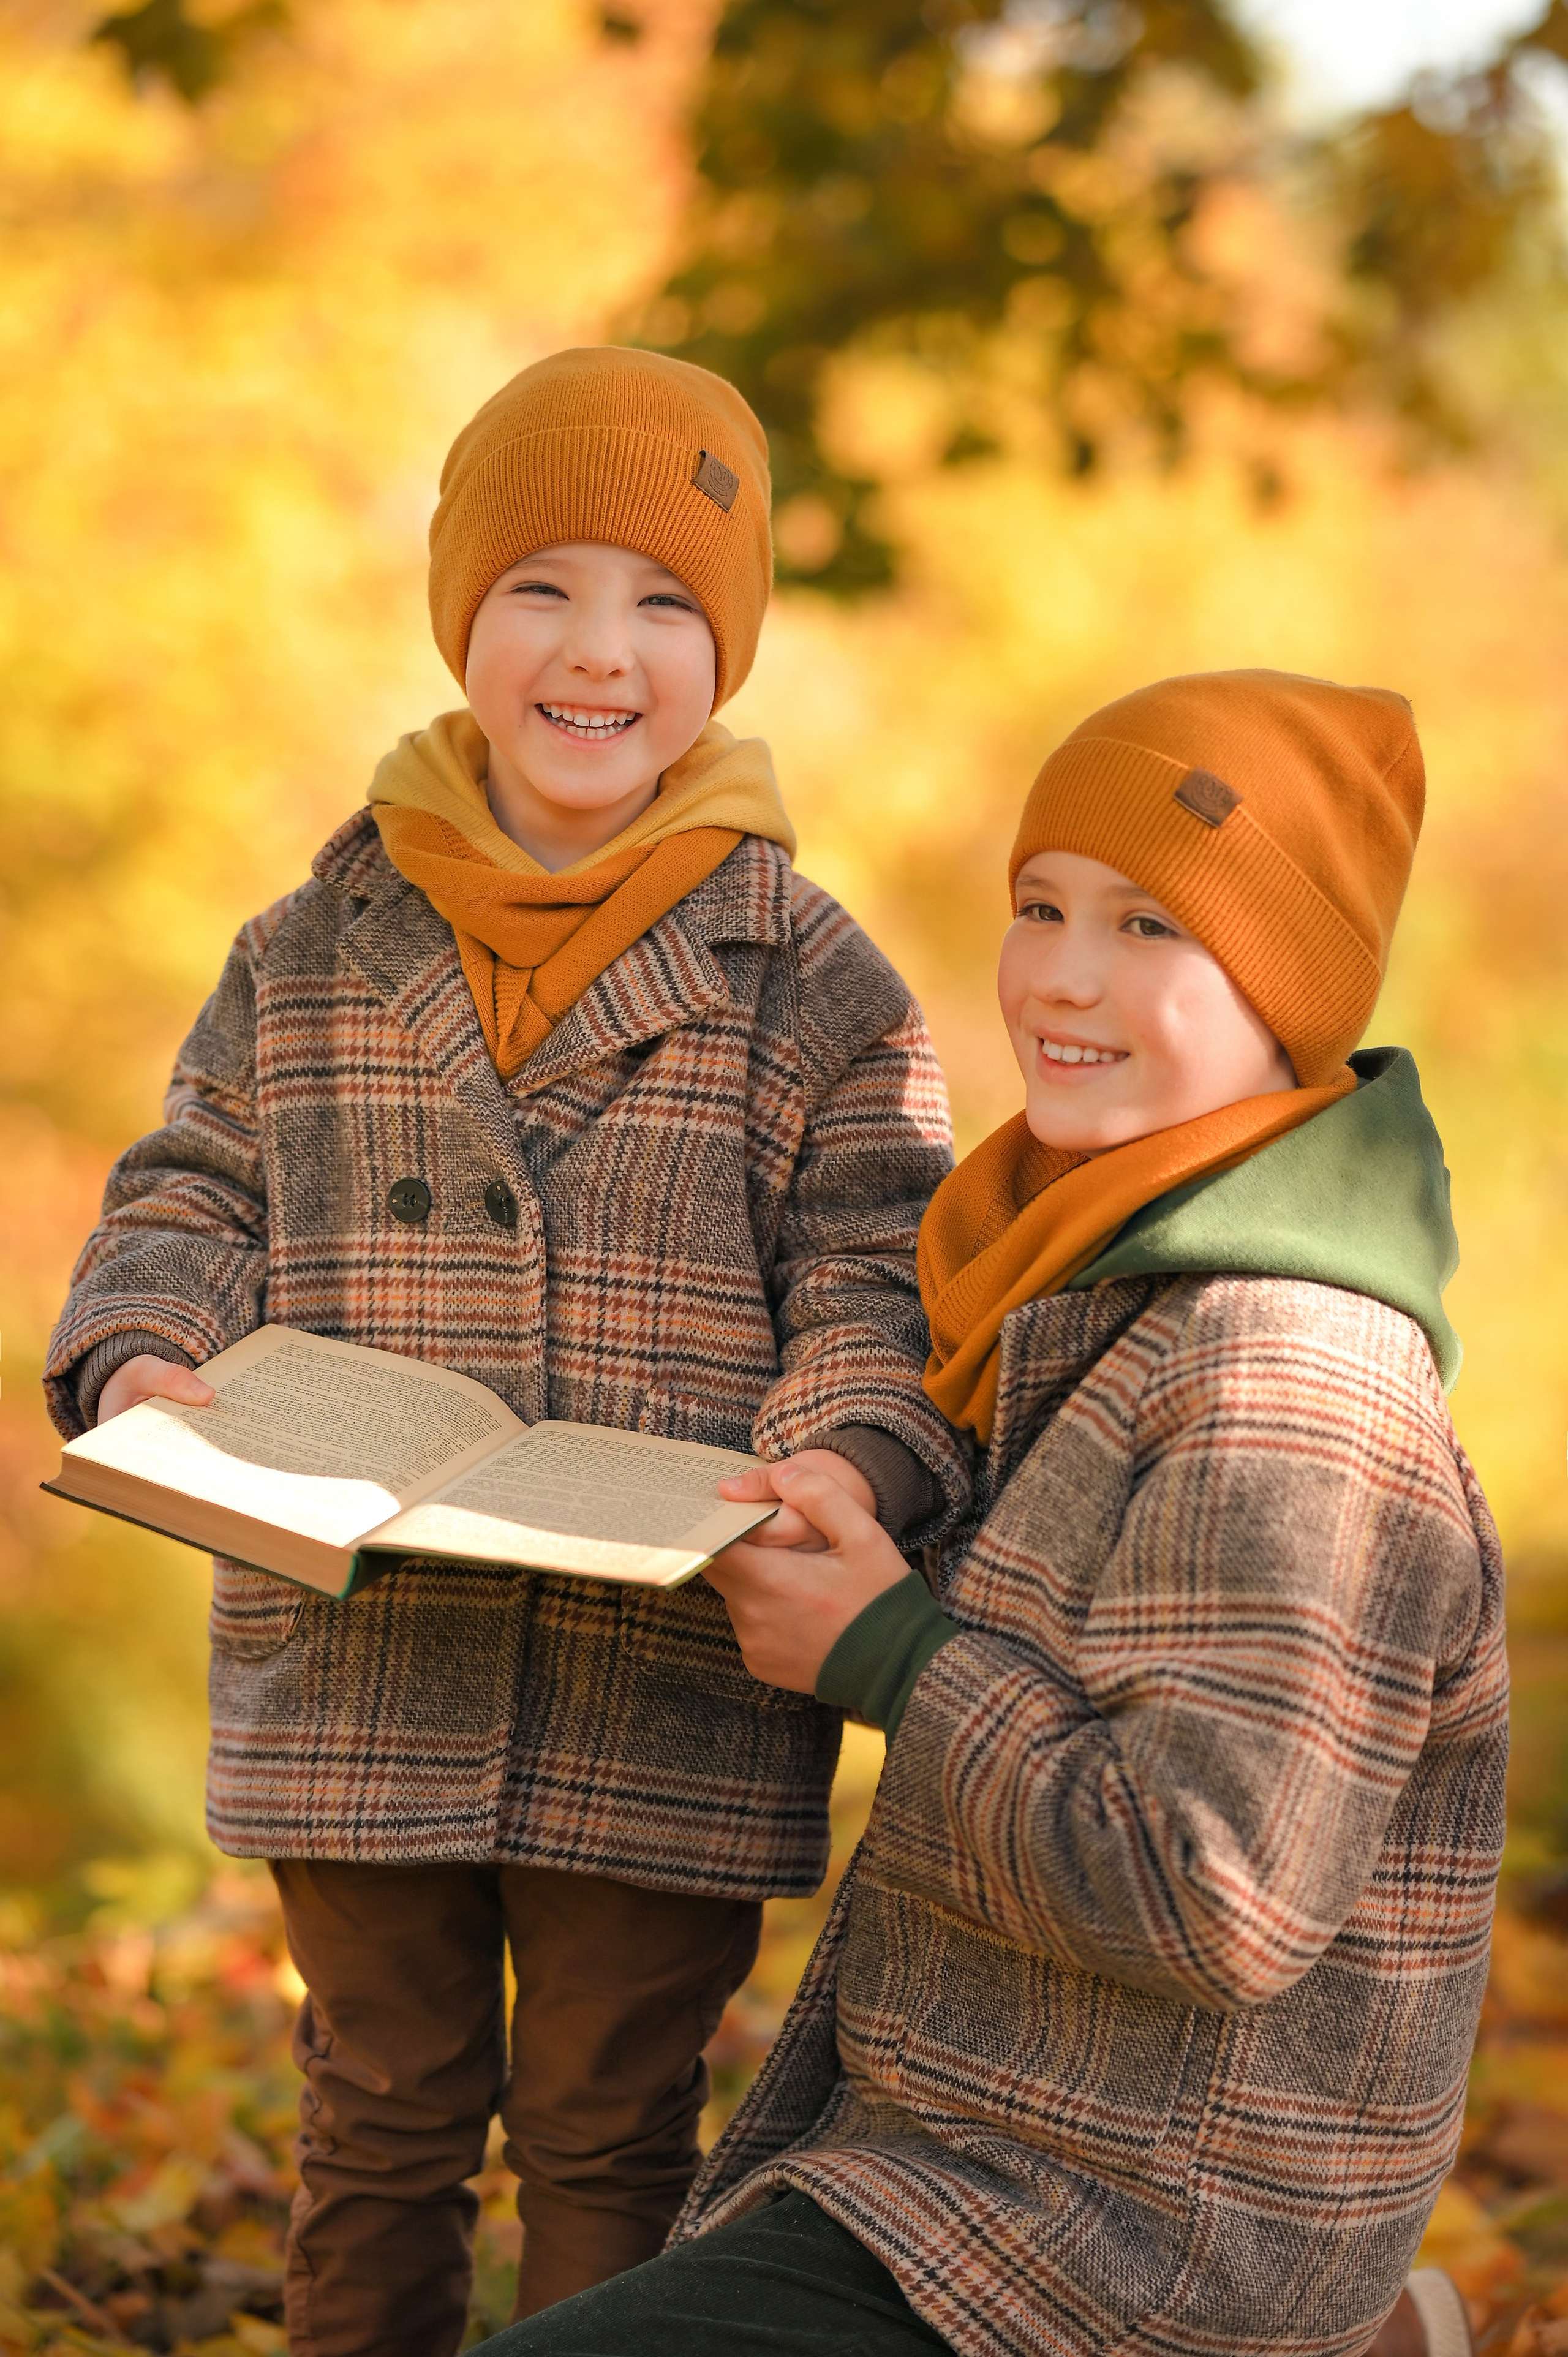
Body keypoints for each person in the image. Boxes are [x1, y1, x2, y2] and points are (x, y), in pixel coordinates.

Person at [43, 347, 970, 2357]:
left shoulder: (808, 975)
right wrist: (141, 1355)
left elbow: (876, 1274)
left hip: (664, 1659)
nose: (599, 653)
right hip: (361, 1645)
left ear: (725, 653)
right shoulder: (314, 941)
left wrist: (846, 1459)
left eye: (663, 604)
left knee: (614, 2128)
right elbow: (192, 1188)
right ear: (464, 615)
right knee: (372, 2120)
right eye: (542, 587)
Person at [469, 671, 1506, 2357]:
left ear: (1289, 988)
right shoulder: (1103, 1272)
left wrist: (891, 1651)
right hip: (971, 2146)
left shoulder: (1290, 1376)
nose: (1064, 978)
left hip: (1131, 2230)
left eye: (1154, 927)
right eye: (1043, 907)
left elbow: (1215, 1892)